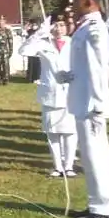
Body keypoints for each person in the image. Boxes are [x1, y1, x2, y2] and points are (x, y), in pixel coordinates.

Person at [61, 0, 109, 218]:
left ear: (89, 1)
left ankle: (105, 209)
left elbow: (98, 69)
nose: (72, 4)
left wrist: (98, 102)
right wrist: (69, 76)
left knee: (97, 156)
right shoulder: (85, 27)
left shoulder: (95, 28)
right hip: (83, 99)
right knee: (89, 157)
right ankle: (96, 205)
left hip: (92, 103)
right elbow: (85, 67)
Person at [18, 13, 77, 177]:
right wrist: (38, 34)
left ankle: (69, 165)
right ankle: (58, 166)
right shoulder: (44, 44)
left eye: (62, 25)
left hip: (70, 91)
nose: (59, 29)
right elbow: (23, 51)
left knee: (70, 131)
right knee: (53, 132)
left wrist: (72, 75)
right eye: (56, 25)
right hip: (50, 92)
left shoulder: (74, 43)